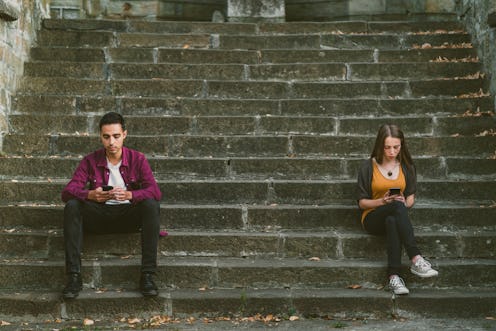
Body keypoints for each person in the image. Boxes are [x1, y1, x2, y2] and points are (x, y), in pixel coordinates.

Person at [61, 112, 162, 299]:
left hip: (127, 216)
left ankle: (147, 275)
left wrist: (132, 195)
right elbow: (67, 192)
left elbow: (155, 192)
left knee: (150, 204)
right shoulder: (90, 160)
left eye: (116, 136)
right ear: (100, 136)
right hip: (99, 215)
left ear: (124, 134)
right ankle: (73, 277)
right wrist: (90, 194)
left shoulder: (137, 159)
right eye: (106, 137)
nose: (111, 142)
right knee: (73, 206)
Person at [356, 124, 438, 295]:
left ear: (402, 145)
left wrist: (403, 202)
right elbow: (362, 203)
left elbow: (410, 198)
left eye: (396, 147)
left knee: (393, 219)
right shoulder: (367, 167)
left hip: (395, 214)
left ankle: (394, 277)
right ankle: (415, 258)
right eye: (387, 147)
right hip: (372, 217)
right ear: (380, 145)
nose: (392, 151)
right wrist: (382, 201)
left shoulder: (407, 167)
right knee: (394, 208)